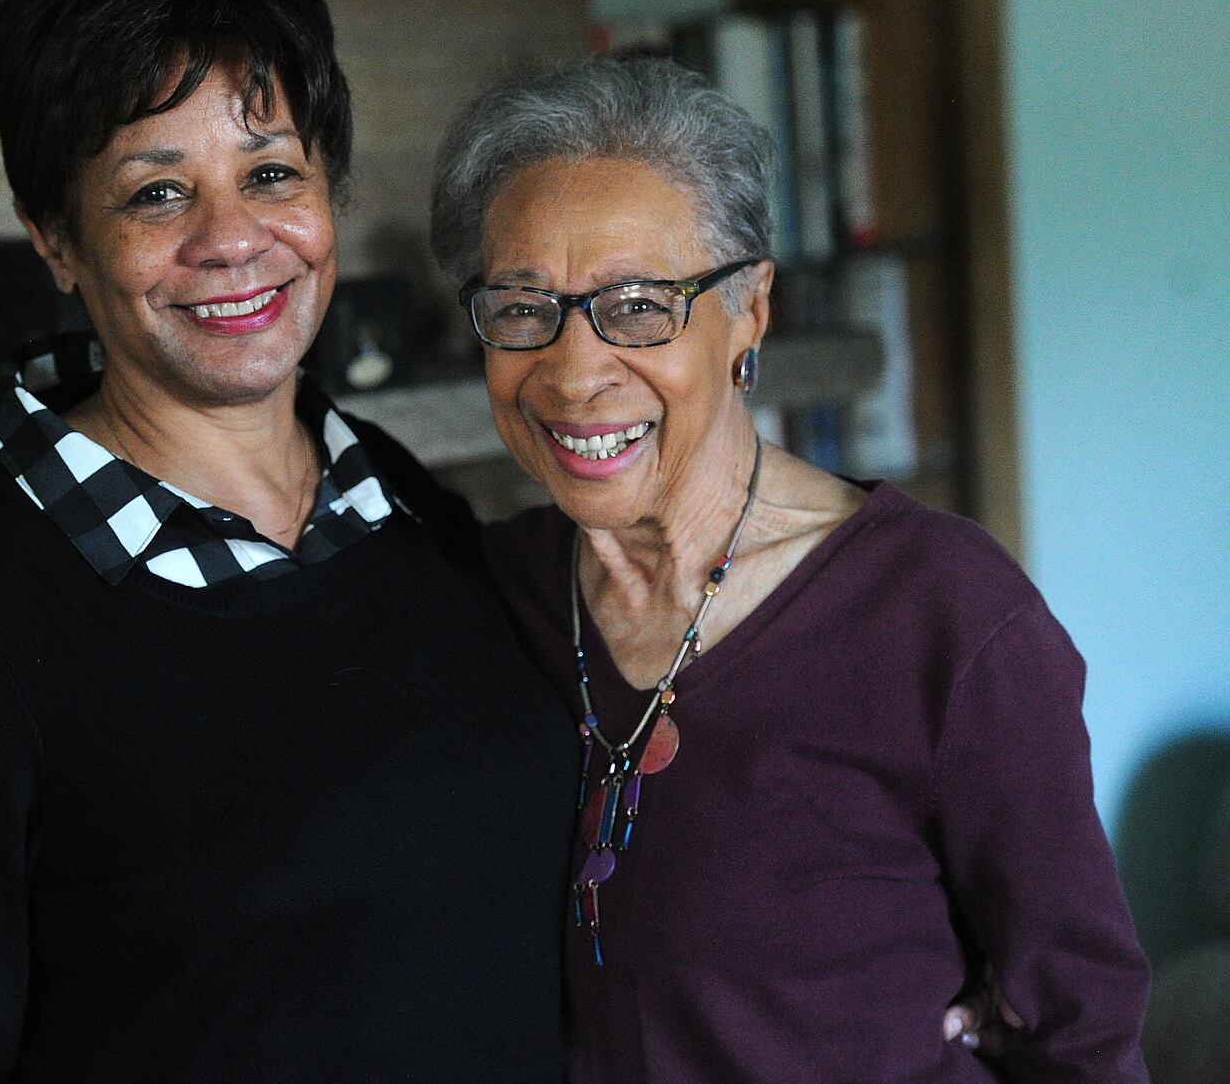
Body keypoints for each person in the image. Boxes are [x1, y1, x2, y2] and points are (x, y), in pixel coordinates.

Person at [0, 0, 579, 1081]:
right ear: (54, 236)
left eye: (270, 171)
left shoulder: (401, 502)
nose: (232, 238)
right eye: (157, 192)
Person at [431, 54, 1151, 1082]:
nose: (573, 369)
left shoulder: (942, 616)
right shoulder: (491, 592)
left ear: (750, 310)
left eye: (638, 304)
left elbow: (1080, 1027)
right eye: (519, 306)